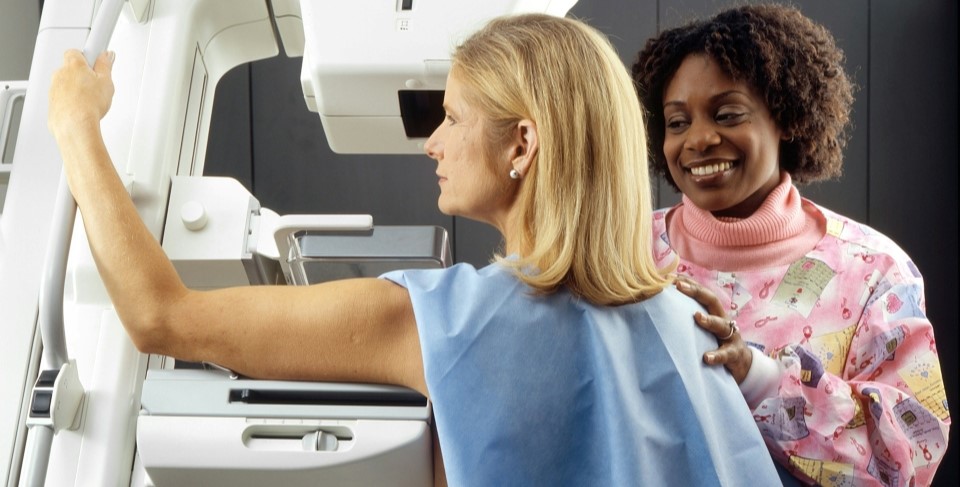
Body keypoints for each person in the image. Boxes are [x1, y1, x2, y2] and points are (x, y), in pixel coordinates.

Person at [48, 13, 780, 487]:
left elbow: (159, 314)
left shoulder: (443, 320)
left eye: (452, 116)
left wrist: (77, 128)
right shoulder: (687, 319)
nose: (432, 141)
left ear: (522, 142)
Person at [632, 4, 950, 486]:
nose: (698, 139)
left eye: (727, 113)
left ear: (786, 116)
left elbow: (909, 459)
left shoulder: (873, 271)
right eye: (677, 122)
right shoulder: (625, 252)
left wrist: (757, 378)